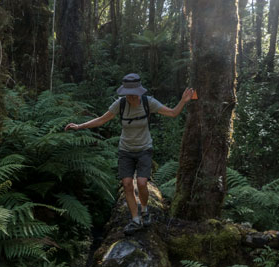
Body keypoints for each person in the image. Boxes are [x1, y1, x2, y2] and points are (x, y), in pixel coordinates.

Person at [65, 73, 194, 235]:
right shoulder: (120, 104)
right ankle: (135, 220)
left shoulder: (149, 103)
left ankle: (145, 210)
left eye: (133, 93)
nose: (131, 96)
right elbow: (101, 120)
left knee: (141, 183)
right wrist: (79, 126)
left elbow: (173, 113)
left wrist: (183, 101)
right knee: (127, 183)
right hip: (125, 150)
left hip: (144, 149)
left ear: (139, 92)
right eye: (128, 93)